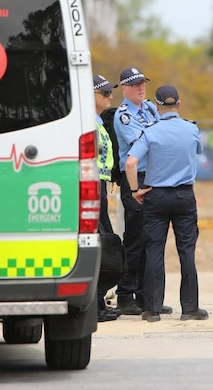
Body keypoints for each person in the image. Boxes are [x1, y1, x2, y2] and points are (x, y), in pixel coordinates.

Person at [124, 85, 208, 322]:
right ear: (179, 105)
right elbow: (197, 151)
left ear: (157, 106)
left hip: (156, 197)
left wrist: (135, 190)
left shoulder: (150, 131)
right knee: (187, 252)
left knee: (154, 251)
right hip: (184, 197)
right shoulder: (191, 129)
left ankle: (152, 309)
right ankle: (190, 308)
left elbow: (131, 163)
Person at [113, 67, 170, 315]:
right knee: (135, 238)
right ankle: (125, 295)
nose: (140, 87)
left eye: (142, 83)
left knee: (151, 237)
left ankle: (147, 296)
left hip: (153, 176)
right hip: (135, 177)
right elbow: (146, 143)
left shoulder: (148, 107)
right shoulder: (123, 115)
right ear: (124, 89)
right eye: (134, 84)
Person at [93, 74, 122, 322]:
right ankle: (95, 304)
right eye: (104, 93)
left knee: (104, 241)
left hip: (100, 185)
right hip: (91, 185)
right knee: (99, 241)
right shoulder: (88, 124)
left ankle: (99, 301)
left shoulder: (98, 122)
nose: (110, 96)